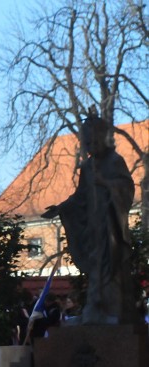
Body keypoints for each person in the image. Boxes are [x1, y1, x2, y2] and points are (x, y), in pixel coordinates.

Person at [42, 113, 135, 324]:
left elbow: (127, 188)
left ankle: (113, 312)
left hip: (110, 225)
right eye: (87, 143)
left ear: (102, 138)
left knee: (110, 268)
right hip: (93, 226)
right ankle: (94, 310)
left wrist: (108, 184)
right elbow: (80, 197)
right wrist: (61, 208)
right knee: (95, 269)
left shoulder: (115, 161)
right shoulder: (86, 168)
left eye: (93, 141)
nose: (90, 146)